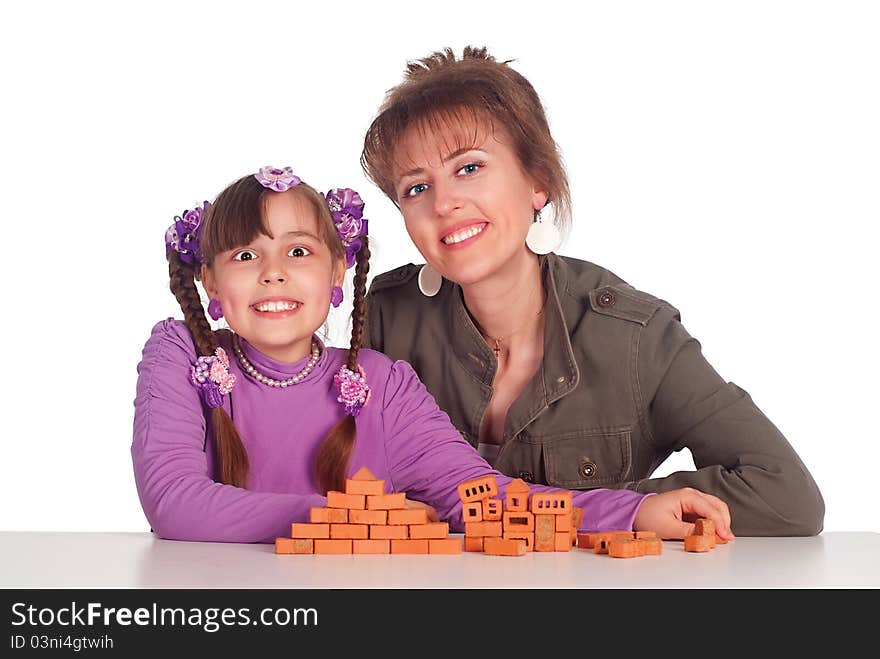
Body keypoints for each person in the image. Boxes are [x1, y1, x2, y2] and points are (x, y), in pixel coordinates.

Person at [132, 164, 734, 544]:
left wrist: (630, 513)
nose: (272, 276)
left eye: (298, 253)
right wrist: (351, 520)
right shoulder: (180, 352)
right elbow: (174, 501)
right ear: (209, 281)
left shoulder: (382, 383)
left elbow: (485, 496)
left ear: (338, 272)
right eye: (244, 257)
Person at [360, 47, 824, 537]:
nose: (444, 203)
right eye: (415, 188)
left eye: (469, 167)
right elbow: (322, 481)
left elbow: (786, 496)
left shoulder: (636, 338)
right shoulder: (388, 320)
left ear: (537, 183)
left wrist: (605, 511)